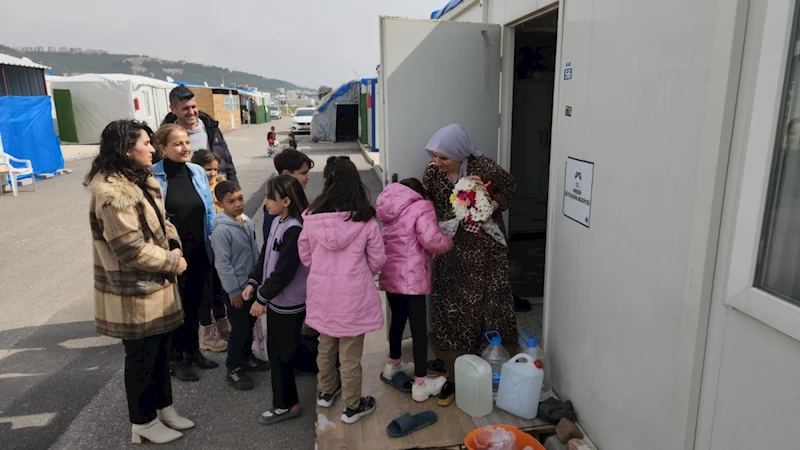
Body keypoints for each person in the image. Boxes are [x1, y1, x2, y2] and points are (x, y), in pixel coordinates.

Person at [85, 120, 193, 444]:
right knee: (141, 358)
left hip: (154, 286)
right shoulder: (112, 192)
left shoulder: (143, 179)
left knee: (160, 351)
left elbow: (163, 221)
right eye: (145, 143)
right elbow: (129, 248)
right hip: (133, 292)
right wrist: (173, 261)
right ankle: (142, 422)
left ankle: (164, 409)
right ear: (126, 149)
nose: (152, 147)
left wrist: (173, 243)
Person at [299, 156, 386, 424]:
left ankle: (325, 392)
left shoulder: (313, 218)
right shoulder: (364, 218)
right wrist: (363, 273)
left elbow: (305, 254)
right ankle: (352, 406)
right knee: (350, 355)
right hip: (353, 296)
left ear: (326, 182)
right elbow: (378, 258)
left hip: (322, 293)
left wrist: (324, 271)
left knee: (325, 346)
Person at [422, 124, 518, 353]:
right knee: (452, 292)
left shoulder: (484, 167)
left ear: (458, 154)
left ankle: (490, 341)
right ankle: (456, 340)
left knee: (487, 293)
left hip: (484, 243)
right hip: (451, 244)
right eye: (434, 156)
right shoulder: (432, 172)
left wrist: (490, 205)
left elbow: (510, 189)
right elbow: (426, 201)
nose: (437, 162)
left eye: (443, 157)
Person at [153, 124, 225, 382]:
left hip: (199, 248)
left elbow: (207, 210)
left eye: (186, 142)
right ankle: (175, 359)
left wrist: (212, 240)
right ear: (162, 148)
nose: (185, 148)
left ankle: (193, 351)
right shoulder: (153, 177)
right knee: (176, 306)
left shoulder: (196, 171)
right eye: (177, 144)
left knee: (196, 301)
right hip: (172, 254)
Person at [376, 177, 453, 402]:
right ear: (418, 193)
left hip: (391, 275)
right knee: (419, 331)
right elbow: (431, 240)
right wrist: (449, 240)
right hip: (412, 278)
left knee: (398, 320)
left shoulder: (389, 210)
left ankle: (393, 364)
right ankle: (421, 383)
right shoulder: (422, 206)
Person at [246, 175, 310, 425]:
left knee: (280, 354)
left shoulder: (295, 227)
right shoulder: (278, 221)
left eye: (268, 198)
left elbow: (285, 270)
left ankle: (285, 405)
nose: (264, 202)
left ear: (285, 200)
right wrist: (254, 281)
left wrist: (261, 297)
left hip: (289, 303)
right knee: (289, 349)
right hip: (279, 300)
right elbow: (266, 254)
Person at [210, 180, 269, 391]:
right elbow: (222, 264)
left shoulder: (245, 221)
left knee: (249, 324)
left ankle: (246, 358)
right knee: (240, 328)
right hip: (235, 290)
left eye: (241, 199)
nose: (238, 204)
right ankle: (233, 367)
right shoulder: (221, 231)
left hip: (249, 285)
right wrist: (233, 291)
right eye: (231, 201)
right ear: (220, 204)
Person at [162, 85, 238, 182]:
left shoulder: (211, 129)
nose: (191, 112)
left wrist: (234, 187)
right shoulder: (166, 136)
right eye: (185, 108)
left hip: (217, 190)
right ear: (173, 109)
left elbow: (227, 162)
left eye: (193, 107)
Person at [262, 149, 314, 242]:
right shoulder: (276, 207)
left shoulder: (297, 196)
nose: (308, 177)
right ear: (286, 174)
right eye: (303, 173)